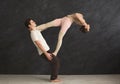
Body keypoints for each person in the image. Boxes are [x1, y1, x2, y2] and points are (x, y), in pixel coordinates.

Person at [24, 12, 90, 82]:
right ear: (30, 25)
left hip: (66, 21)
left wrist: (85, 25)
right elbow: (77, 16)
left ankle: (55, 54)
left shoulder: (82, 21)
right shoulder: (81, 20)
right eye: (32, 22)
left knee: (59, 37)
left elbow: (76, 16)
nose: (34, 22)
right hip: (63, 19)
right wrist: (85, 25)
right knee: (47, 25)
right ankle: (53, 78)